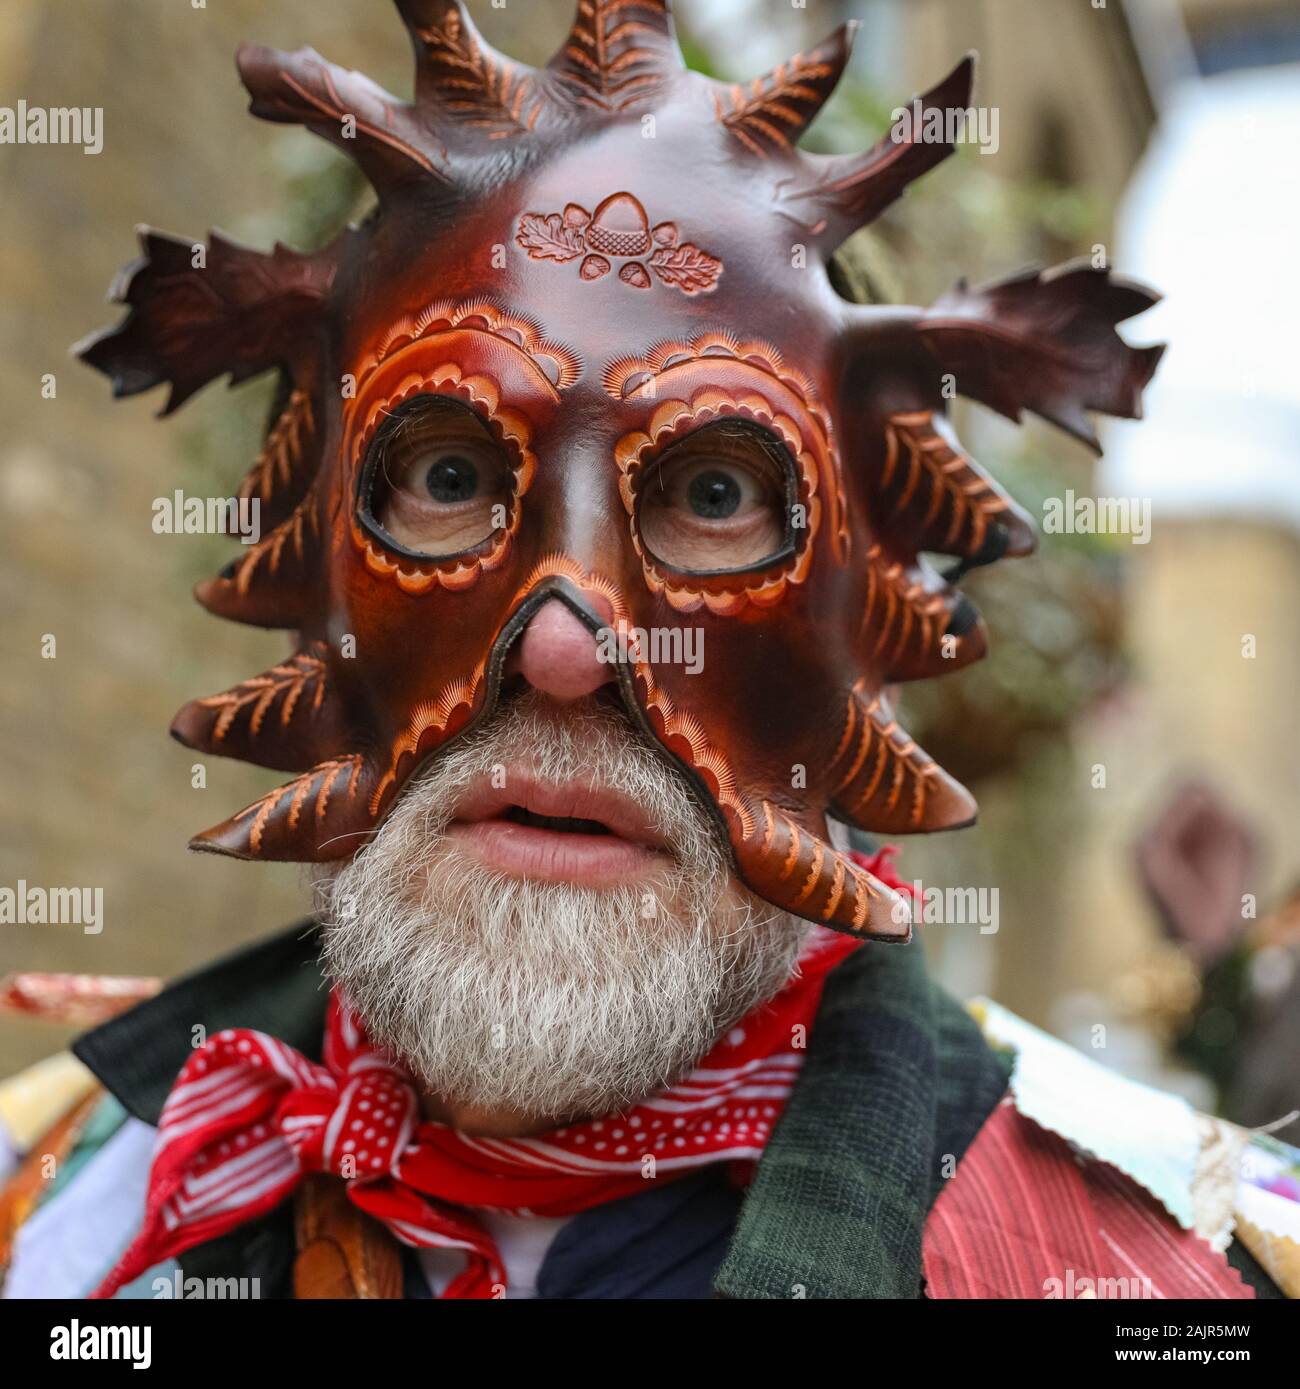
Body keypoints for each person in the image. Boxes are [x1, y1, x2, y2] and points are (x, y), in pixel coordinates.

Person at [2, 0, 1292, 1300]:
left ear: (874, 633)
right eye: (446, 471)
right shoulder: (46, 1203)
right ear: (307, 583)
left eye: (717, 496)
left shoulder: (1179, 1278)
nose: (564, 647)